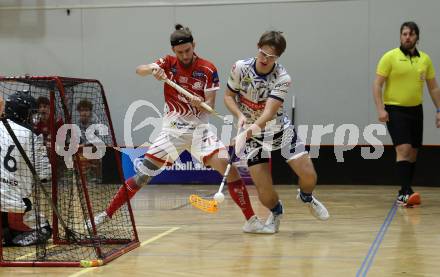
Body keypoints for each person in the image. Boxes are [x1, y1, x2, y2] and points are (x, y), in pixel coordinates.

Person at [88, 24, 272, 233]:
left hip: (200, 133)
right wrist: (153, 70)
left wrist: (200, 102)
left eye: (188, 50)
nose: (184, 55)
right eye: (180, 52)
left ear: (194, 45)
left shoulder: (208, 69)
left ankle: (251, 221)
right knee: (142, 177)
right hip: (171, 133)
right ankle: (106, 215)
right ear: (174, 51)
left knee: (232, 173)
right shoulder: (167, 63)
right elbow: (140, 70)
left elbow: (210, 106)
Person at [224, 30, 330, 233]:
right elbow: (228, 96)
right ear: (258, 47)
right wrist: (239, 115)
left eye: (271, 57)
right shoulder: (240, 68)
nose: (265, 59)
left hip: (279, 130)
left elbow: (269, 112)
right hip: (254, 138)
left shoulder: (282, 77)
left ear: (278, 57)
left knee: (309, 175)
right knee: (264, 194)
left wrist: (247, 132)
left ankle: (306, 197)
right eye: (263, 53)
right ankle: (276, 211)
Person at [373, 21, 440, 206]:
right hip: (395, 109)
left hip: (416, 110)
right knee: (403, 149)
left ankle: (407, 189)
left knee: (413, 153)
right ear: (400, 36)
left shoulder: (424, 60)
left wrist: (439, 109)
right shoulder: (390, 57)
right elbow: (377, 84)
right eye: (404, 34)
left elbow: (433, 87)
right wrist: (380, 108)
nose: (407, 37)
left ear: (417, 37)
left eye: (411, 34)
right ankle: (404, 193)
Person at [0, 91, 52, 246]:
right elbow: (44, 173)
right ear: (22, 112)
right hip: (13, 205)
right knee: (45, 230)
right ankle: (10, 235)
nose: (32, 118)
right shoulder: (31, 135)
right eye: (30, 114)